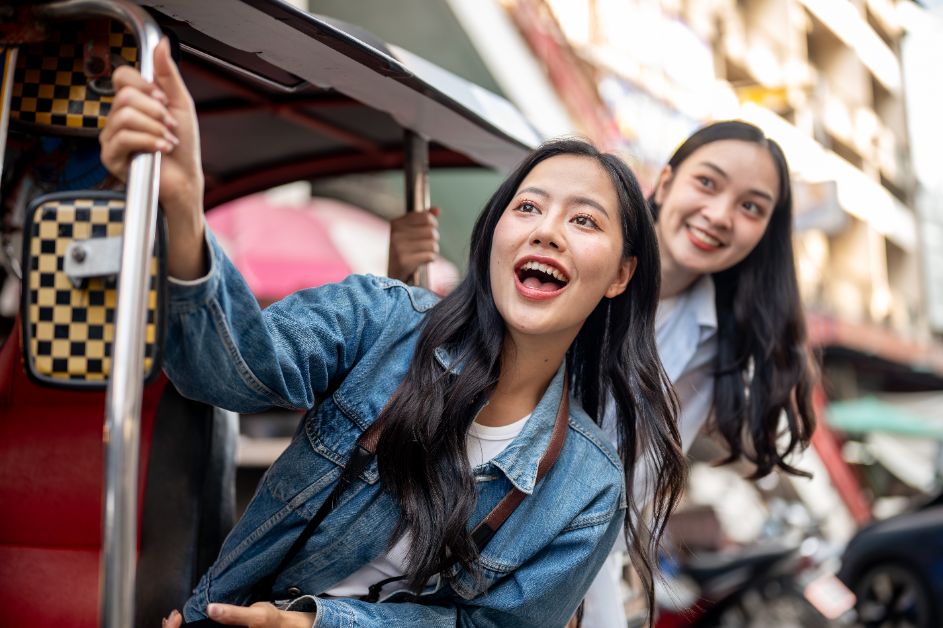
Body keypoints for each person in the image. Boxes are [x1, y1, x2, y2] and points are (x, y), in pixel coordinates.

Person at [100, 40, 686, 627]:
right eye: (528, 207)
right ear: (494, 236)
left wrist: (316, 625)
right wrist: (181, 205)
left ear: (620, 274)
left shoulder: (588, 487)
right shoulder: (379, 318)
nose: (548, 232)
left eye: (584, 220)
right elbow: (229, 370)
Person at [388, 120, 817, 627]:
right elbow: (448, 361)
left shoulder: (723, 343)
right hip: (451, 521)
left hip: (574, 565)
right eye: (707, 182)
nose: (720, 215)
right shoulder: (570, 265)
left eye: (752, 207)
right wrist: (397, 276)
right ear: (667, 179)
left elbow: (635, 482)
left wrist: (581, 577)